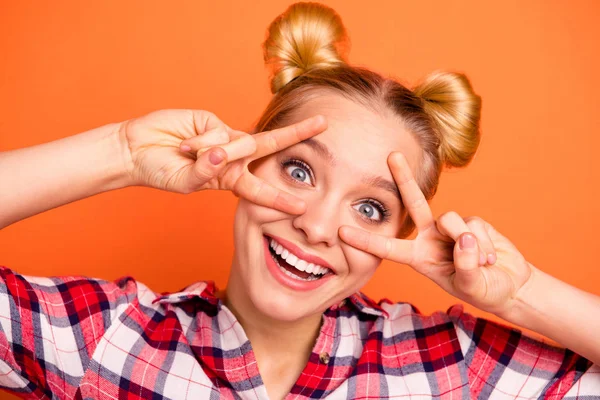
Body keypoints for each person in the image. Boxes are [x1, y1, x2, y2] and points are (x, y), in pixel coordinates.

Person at [1, 2, 598, 399]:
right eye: (299, 171)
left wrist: (521, 297)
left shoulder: (449, 365)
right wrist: (121, 152)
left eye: (370, 208)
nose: (316, 225)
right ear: (243, 163)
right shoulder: (110, 340)